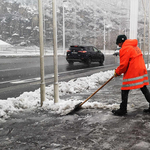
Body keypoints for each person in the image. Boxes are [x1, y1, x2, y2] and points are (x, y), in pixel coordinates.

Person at [112, 35, 150, 116]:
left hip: (134, 71)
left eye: (119, 43)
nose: (119, 46)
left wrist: (117, 72)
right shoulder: (135, 46)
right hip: (141, 70)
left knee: (125, 89)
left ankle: (123, 110)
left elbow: (123, 65)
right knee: (143, 88)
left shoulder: (125, 48)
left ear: (121, 42)